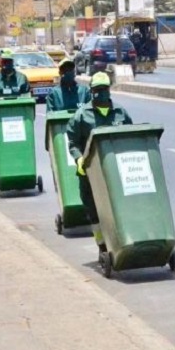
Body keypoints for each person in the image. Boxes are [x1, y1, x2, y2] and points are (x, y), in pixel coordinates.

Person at [66, 72, 133, 253]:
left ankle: (126, 239)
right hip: (91, 173)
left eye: (104, 89)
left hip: (116, 172)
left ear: (109, 90)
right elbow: (72, 142)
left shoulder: (121, 113)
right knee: (95, 211)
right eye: (97, 90)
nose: (101, 93)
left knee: (120, 207)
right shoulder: (81, 116)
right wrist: (79, 159)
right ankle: (102, 245)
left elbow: (131, 137)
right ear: (91, 91)